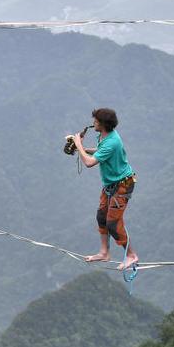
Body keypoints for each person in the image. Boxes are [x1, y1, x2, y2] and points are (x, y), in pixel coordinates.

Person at [65, 107, 139, 271]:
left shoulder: (112, 141)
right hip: (110, 185)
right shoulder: (105, 136)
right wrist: (80, 149)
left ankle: (131, 255)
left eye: (96, 121)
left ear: (103, 124)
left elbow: (90, 163)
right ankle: (104, 252)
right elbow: (100, 152)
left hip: (122, 185)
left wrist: (78, 143)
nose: (93, 123)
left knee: (112, 223)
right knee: (101, 217)